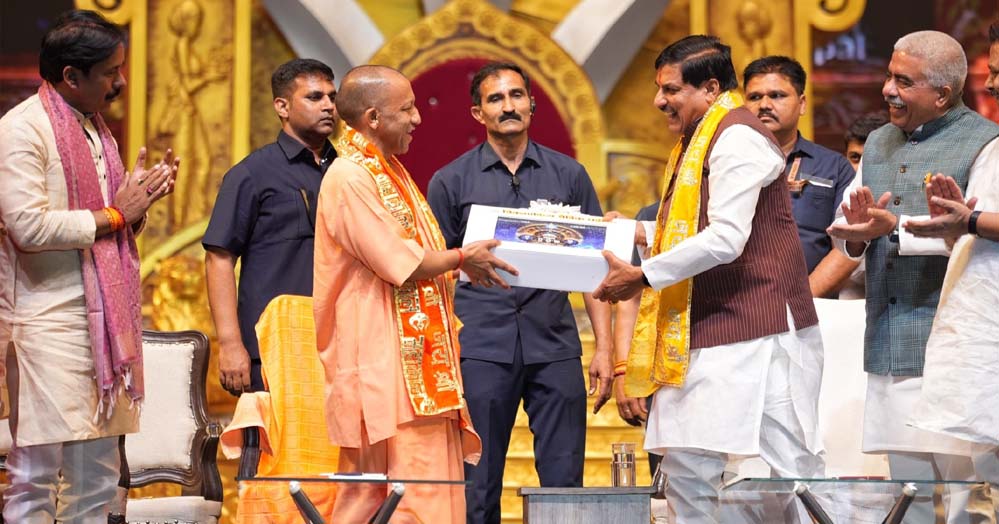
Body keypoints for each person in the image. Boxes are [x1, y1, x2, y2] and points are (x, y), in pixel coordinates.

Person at [594, 35, 825, 522]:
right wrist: (635, 231)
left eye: (670, 89)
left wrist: (643, 275)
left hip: (759, 325)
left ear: (711, 88)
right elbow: (689, 226)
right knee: (687, 465)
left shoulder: (736, 137)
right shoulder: (699, 137)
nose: (659, 101)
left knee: (791, 470)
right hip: (709, 324)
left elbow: (724, 239)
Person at [313, 65, 516, 524]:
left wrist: (455, 262)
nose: (417, 118)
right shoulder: (350, 176)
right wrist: (462, 257)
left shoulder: (390, 172)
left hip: (414, 364)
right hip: (385, 366)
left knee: (413, 492)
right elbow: (399, 263)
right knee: (397, 498)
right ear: (372, 117)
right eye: (406, 109)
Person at [0, 9, 178, 522]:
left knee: (98, 479)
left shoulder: (98, 132)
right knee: (36, 477)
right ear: (71, 76)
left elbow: (110, 222)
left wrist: (135, 208)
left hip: (103, 333)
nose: (120, 83)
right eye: (110, 73)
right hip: (46, 325)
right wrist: (118, 214)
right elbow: (28, 227)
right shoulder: (22, 130)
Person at [426, 61, 613, 524]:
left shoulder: (569, 175)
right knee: (477, 484)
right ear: (478, 113)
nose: (507, 106)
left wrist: (606, 348)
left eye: (516, 95)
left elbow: (596, 268)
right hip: (480, 346)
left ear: (531, 104)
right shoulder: (450, 180)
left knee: (564, 483)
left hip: (555, 343)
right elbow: (433, 270)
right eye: (495, 98)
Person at [827, 30, 999, 523]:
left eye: (904, 81)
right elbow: (850, 229)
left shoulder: (986, 143)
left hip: (954, 347)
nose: (888, 90)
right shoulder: (878, 141)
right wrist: (856, 236)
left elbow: (979, 239)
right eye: (889, 76)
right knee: (909, 496)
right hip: (889, 338)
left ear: (942, 94)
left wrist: (896, 230)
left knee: (968, 498)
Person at [905, 21, 999, 514]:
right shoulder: (995, 147)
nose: (990, 83)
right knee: (988, 477)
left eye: (998, 71)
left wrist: (972, 220)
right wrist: (953, 225)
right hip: (983, 333)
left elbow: (980, 223)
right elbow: (972, 232)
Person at [203, 58, 337, 394]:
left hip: (340, 345)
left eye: (332, 97)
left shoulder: (347, 172)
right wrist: (230, 344)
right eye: (315, 97)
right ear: (282, 106)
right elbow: (219, 259)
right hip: (273, 347)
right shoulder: (252, 173)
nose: (328, 106)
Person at [743, 56, 859, 298]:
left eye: (777, 95)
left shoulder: (834, 167)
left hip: (813, 306)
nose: (764, 105)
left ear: (802, 103)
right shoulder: (726, 163)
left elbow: (849, 246)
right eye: (754, 97)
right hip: (739, 305)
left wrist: (801, 302)